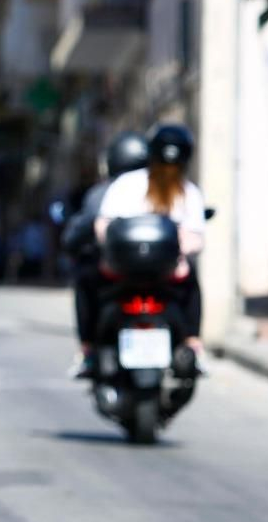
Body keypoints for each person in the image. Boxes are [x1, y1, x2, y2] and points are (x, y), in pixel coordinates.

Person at [96, 124, 208, 371]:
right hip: (132, 271)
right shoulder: (134, 185)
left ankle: (192, 343)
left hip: (157, 273)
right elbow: (104, 226)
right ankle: (193, 342)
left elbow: (103, 225)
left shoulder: (184, 192)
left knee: (191, 281)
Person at [64, 131, 149, 378]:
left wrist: (71, 246)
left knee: (84, 281)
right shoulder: (161, 188)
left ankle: (88, 350)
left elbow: (79, 231)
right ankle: (192, 343)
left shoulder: (102, 193)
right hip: (158, 275)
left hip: (115, 275)